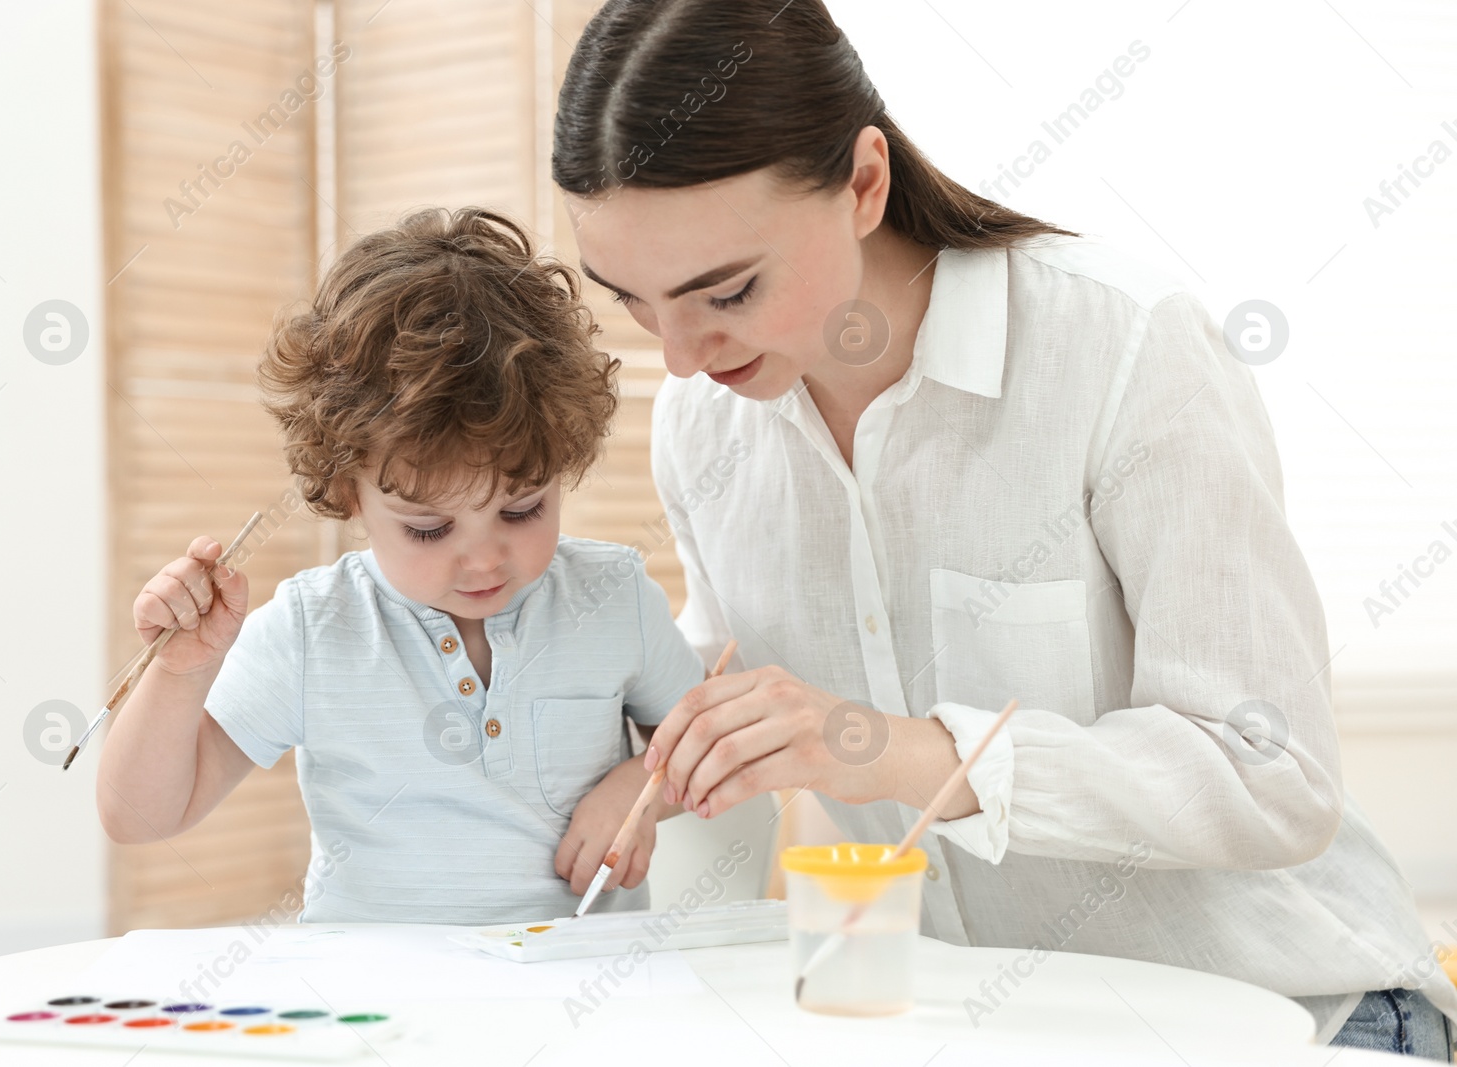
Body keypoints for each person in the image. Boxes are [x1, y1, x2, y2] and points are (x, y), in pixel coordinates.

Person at [551, 0, 1456, 1057]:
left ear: (863, 183)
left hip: (1296, 1015)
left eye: (729, 291)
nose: (687, 354)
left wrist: (896, 750)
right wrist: (661, 755)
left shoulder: (1120, 349)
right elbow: (737, 664)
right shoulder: (706, 428)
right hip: (1000, 1030)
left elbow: (1272, 774)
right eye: (636, 304)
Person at [95, 207, 704, 924]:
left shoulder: (613, 596)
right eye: (428, 527)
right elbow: (138, 815)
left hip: (578, 987)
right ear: (350, 489)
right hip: (372, 1005)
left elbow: (713, 747)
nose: (482, 556)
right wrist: (180, 672)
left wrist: (638, 784)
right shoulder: (312, 628)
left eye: (522, 509)